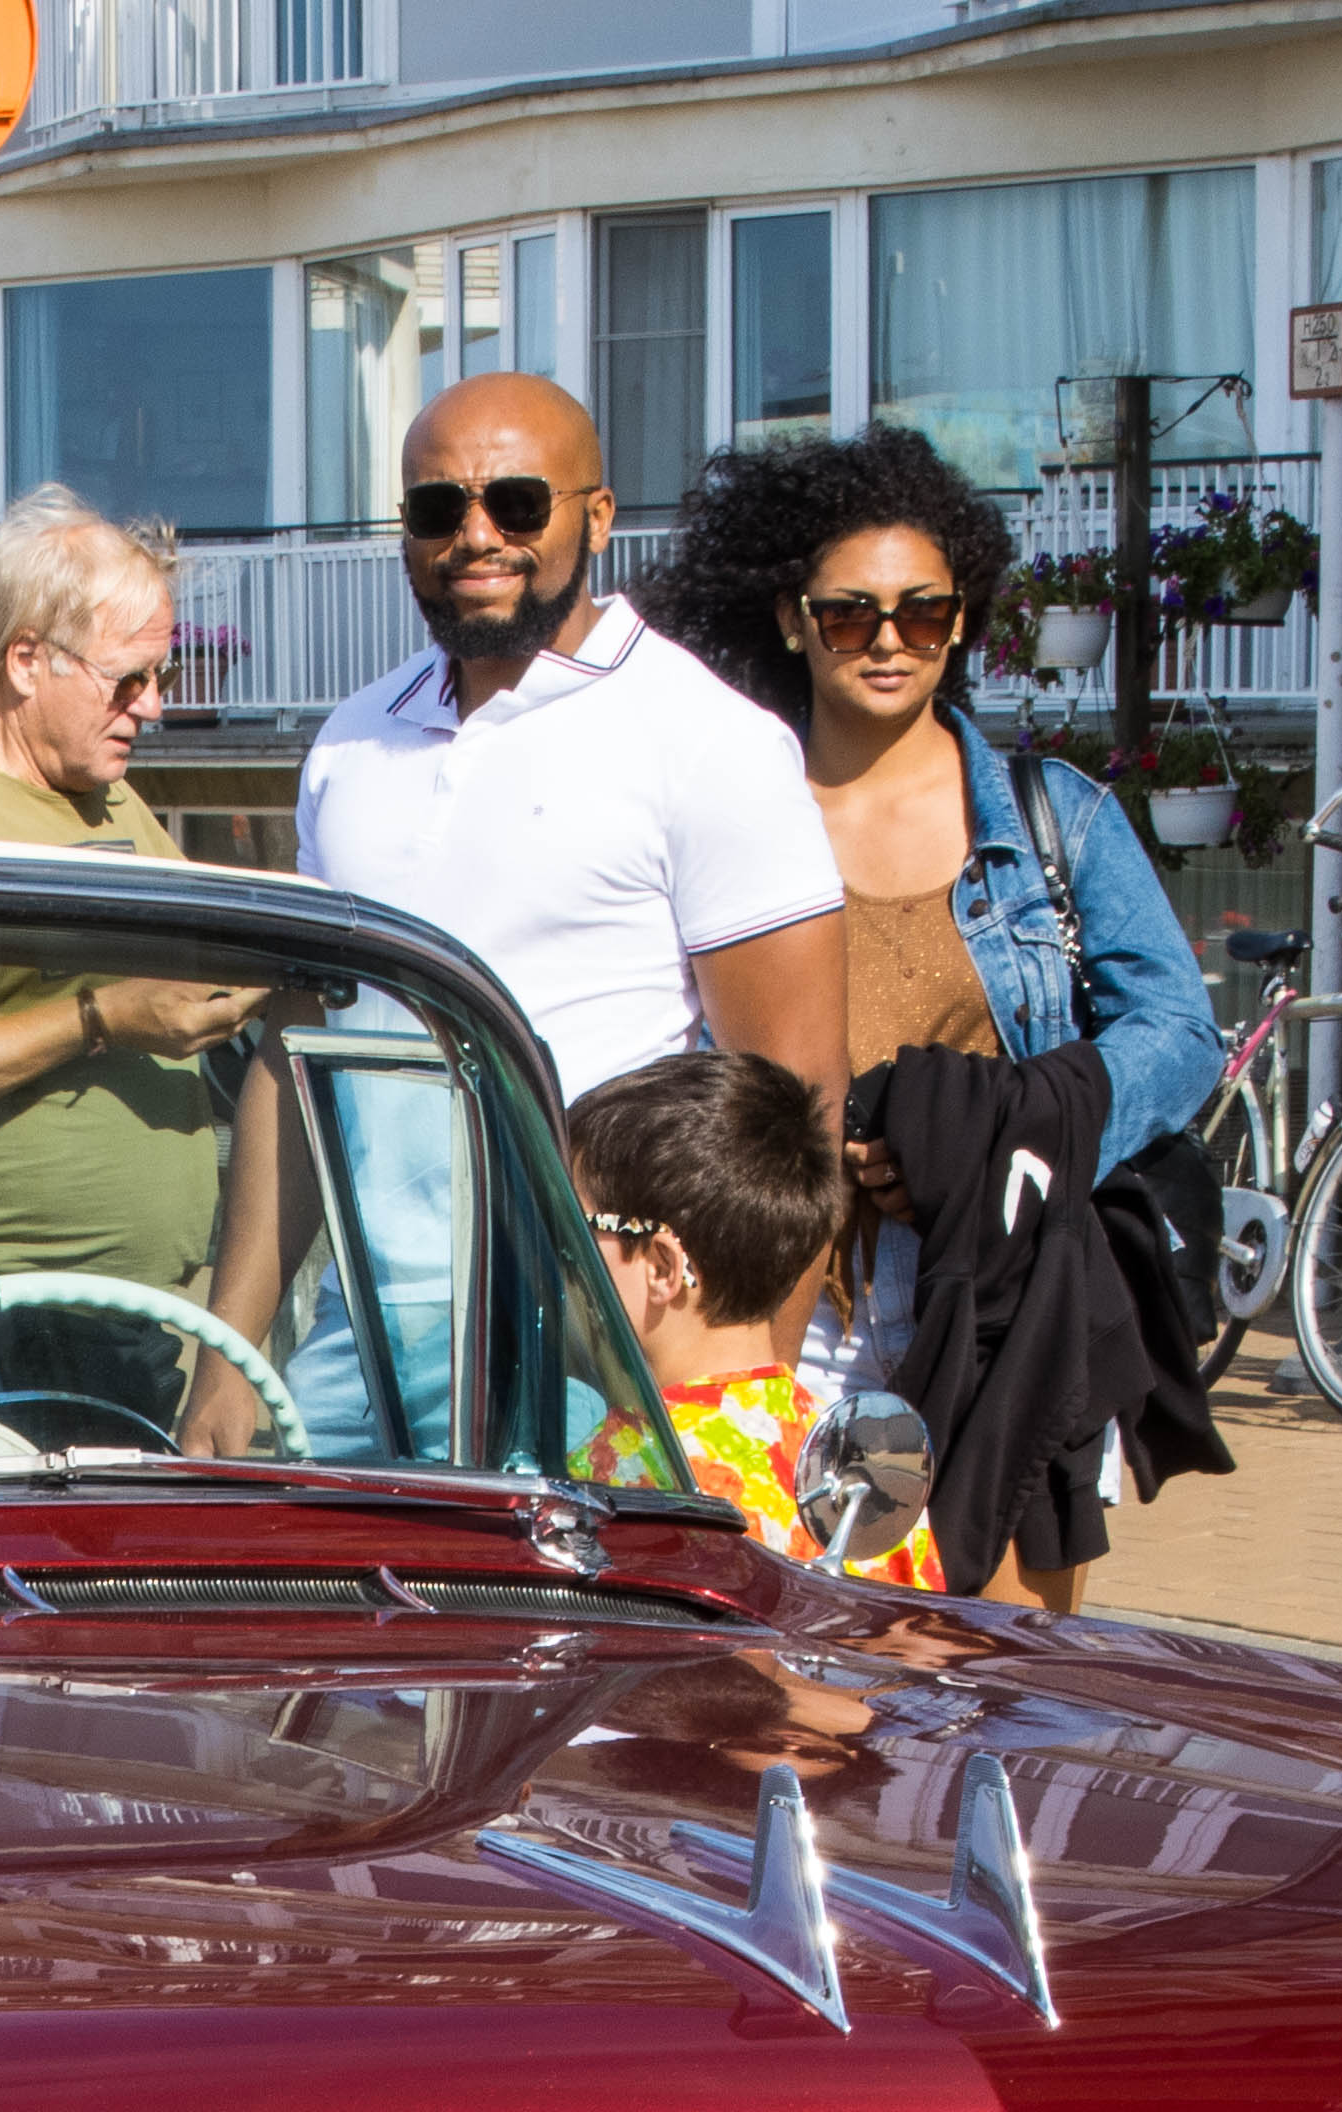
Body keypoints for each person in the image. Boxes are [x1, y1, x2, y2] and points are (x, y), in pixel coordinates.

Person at [0, 490, 289, 1452]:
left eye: (161, 675)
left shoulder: (114, 802)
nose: (150, 707)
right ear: (27, 661)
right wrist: (100, 1019)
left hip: (128, 1326)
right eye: (127, 680)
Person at [656, 425, 1212, 1179]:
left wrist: (1010, 1130)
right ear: (793, 620)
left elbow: (1178, 1032)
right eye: (849, 615)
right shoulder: (725, 817)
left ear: (957, 622)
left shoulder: (1056, 818)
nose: (887, 642)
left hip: (999, 1271)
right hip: (789, 1278)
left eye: (919, 614)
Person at [300, 377, 848, 1109]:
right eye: (437, 510)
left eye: (517, 505)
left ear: (597, 519)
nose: (477, 537)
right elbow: (297, 1046)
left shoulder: (711, 741)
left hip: (591, 1226)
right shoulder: (352, 739)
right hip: (365, 1229)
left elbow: (796, 1108)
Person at [568, 1049, 927, 1587]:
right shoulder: (858, 1473)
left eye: (572, 1228)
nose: (554, 1255)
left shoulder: (619, 1471)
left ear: (663, 1266)